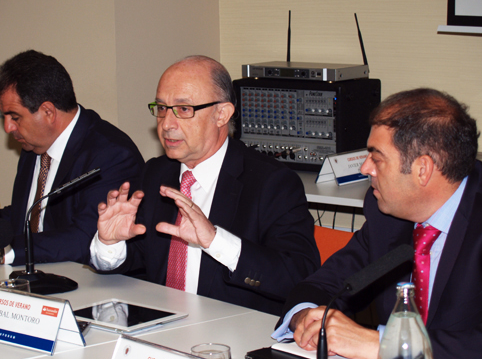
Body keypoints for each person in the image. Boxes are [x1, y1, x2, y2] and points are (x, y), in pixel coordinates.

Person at [273, 88, 482, 359]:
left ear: (422, 170)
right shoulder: (386, 213)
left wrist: (381, 345)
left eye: (376, 158)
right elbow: (326, 284)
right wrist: (307, 316)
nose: (365, 168)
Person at [90, 55, 320, 315]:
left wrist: (215, 240)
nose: (166, 124)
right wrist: (110, 244)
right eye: (162, 108)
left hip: (230, 337)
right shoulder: (156, 173)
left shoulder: (271, 183)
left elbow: (298, 276)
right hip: (159, 335)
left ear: (222, 114)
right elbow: (141, 263)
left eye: (184, 109)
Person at [0, 50, 144, 267]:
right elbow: (26, 216)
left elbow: (84, 238)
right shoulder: (33, 147)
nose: (8, 127)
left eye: (14, 117)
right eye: (5, 117)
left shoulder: (111, 154)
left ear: (48, 111)